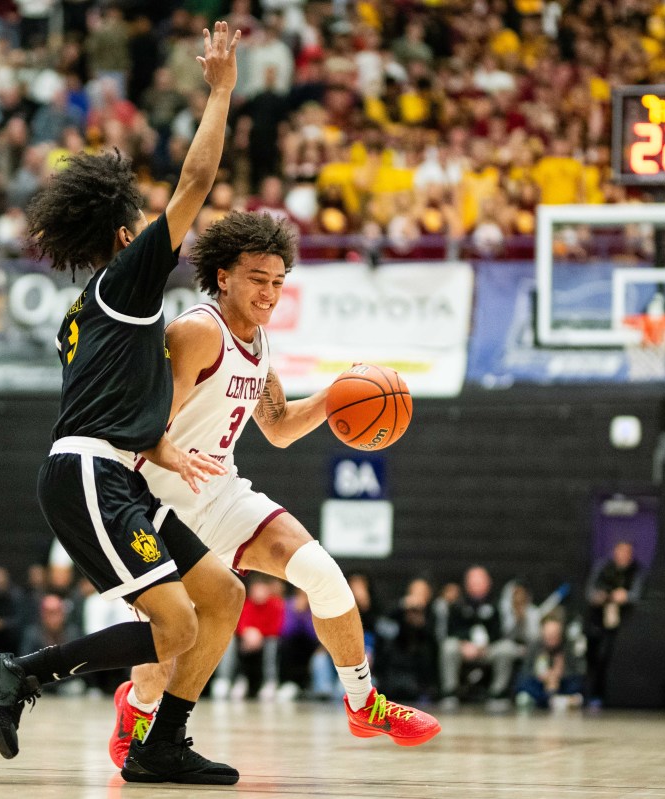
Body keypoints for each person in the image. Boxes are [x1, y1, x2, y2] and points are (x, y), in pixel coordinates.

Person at [0, 22, 246, 786]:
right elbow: (195, 186)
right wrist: (220, 91)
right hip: (90, 477)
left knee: (222, 595)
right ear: (126, 236)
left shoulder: (93, 310)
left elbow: (109, 401)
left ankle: (162, 745)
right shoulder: (126, 282)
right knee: (176, 624)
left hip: (113, 471)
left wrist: (157, 445)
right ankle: (18, 672)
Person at [108, 210, 440, 769]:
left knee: (321, 572)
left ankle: (365, 703)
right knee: (165, 655)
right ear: (223, 276)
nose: (269, 292)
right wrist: (171, 452)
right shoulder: (197, 331)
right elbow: (147, 424)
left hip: (221, 492)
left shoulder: (257, 340)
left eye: (279, 282)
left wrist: (338, 396)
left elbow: (281, 427)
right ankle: (137, 707)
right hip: (159, 504)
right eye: (258, 279)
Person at [439, 565, 518, 709]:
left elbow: (499, 633)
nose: (476, 585)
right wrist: (465, 644)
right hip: (464, 649)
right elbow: (452, 631)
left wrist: (484, 646)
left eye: (480, 581)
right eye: (473, 582)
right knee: (448, 646)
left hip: (487, 650)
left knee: (506, 649)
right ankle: (450, 692)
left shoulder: (496, 606)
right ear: (467, 584)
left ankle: (498, 693)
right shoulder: (457, 606)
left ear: (488, 583)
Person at [585, 541, 644, 706]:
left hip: (624, 624)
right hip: (598, 621)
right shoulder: (603, 568)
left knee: (608, 656)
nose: (624, 557)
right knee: (593, 655)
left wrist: (626, 597)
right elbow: (590, 593)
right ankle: (590, 694)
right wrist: (601, 597)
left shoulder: (637, 572)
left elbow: (638, 594)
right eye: (621, 552)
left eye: (628, 553)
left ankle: (606, 696)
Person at [513, 616, 585, 711]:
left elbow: (578, 675)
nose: (551, 639)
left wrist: (560, 675)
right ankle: (550, 701)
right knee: (523, 696)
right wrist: (541, 677)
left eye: (554, 635)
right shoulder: (534, 648)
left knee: (577, 696)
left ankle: (555, 700)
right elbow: (523, 675)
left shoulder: (568, 649)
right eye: (548, 635)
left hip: (563, 688)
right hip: (538, 689)